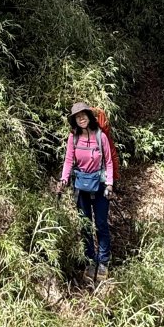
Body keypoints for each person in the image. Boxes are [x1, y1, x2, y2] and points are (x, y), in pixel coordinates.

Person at [58, 101, 114, 279]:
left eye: (84, 115)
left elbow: (109, 162)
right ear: (75, 120)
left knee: (101, 224)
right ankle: (90, 261)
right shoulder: (73, 137)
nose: (81, 118)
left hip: (100, 185)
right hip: (81, 185)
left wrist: (110, 183)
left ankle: (103, 261)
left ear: (89, 117)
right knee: (86, 225)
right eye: (78, 116)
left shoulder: (100, 136)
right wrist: (64, 179)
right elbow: (68, 161)